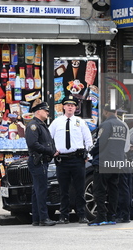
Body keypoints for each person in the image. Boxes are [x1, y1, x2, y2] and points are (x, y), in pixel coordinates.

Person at [48, 95, 93, 224]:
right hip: (62, 160)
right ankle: (64, 215)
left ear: (75, 108)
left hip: (77, 159)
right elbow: (48, 138)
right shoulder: (57, 122)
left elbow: (88, 139)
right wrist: (52, 151)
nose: (70, 107)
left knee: (80, 189)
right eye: (67, 105)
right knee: (64, 190)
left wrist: (88, 155)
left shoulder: (80, 122)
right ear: (63, 107)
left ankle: (82, 215)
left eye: (72, 105)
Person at [88, 104, 128, 226]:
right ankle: (111, 216)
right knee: (113, 190)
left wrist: (91, 152)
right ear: (116, 111)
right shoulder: (123, 126)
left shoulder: (105, 125)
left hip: (103, 162)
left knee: (99, 190)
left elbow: (100, 143)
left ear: (105, 112)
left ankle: (101, 217)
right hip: (116, 162)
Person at [25, 100, 58, 226]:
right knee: (41, 190)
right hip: (38, 160)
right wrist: (49, 151)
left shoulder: (41, 125)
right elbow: (33, 144)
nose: (48, 112)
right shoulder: (34, 125)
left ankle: (37, 218)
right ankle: (44, 218)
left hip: (42, 160)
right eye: (45, 110)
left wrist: (52, 150)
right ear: (38, 111)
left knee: (36, 191)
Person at [116, 108, 133, 223]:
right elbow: (126, 145)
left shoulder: (119, 125)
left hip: (121, 159)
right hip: (123, 158)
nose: (122, 117)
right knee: (126, 188)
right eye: (121, 114)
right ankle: (128, 213)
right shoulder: (122, 125)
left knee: (122, 189)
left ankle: (124, 213)